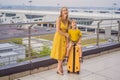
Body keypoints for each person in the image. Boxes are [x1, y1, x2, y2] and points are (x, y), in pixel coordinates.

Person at [50, 7, 70, 75]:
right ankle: (59, 68)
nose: (65, 11)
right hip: (58, 37)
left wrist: (67, 40)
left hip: (64, 38)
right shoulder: (59, 19)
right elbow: (57, 30)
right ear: (61, 12)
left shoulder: (68, 21)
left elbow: (69, 30)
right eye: (64, 10)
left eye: (66, 10)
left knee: (63, 53)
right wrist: (65, 34)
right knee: (59, 53)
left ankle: (59, 68)